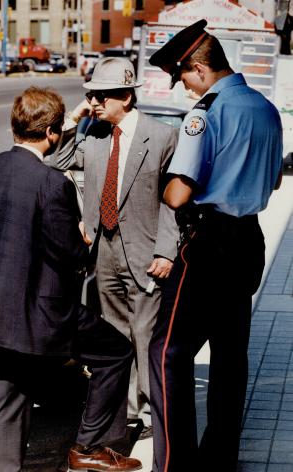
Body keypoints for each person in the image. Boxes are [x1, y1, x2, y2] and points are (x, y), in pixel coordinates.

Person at [0, 86, 142, 472]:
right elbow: (70, 257)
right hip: (40, 316)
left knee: (5, 390)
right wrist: (81, 238)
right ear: (51, 134)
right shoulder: (52, 184)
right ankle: (90, 447)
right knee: (115, 353)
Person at [148, 19, 283, 472]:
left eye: (182, 76)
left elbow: (179, 194)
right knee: (230, 356)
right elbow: (273, 180)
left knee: (168, 352)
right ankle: (220, 457)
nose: (183, 88)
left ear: (200, 69)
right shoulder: (266, 109)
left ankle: (176, 462)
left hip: (207, 242)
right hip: (249, 238)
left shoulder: (207, 112)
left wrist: (164, 186)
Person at [49, 57, 179, 437]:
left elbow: (174, 201)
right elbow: (57, 162)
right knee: (114, 335)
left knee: (145, 334)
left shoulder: (162, 136)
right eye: (91, 95)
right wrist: (74, 120)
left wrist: (166, 251)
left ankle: (154, 414)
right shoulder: (92, 133)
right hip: (102, 252)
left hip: (145, 251)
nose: (94, 102)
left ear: (126, 95)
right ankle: (125, 412)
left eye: (102, 96)